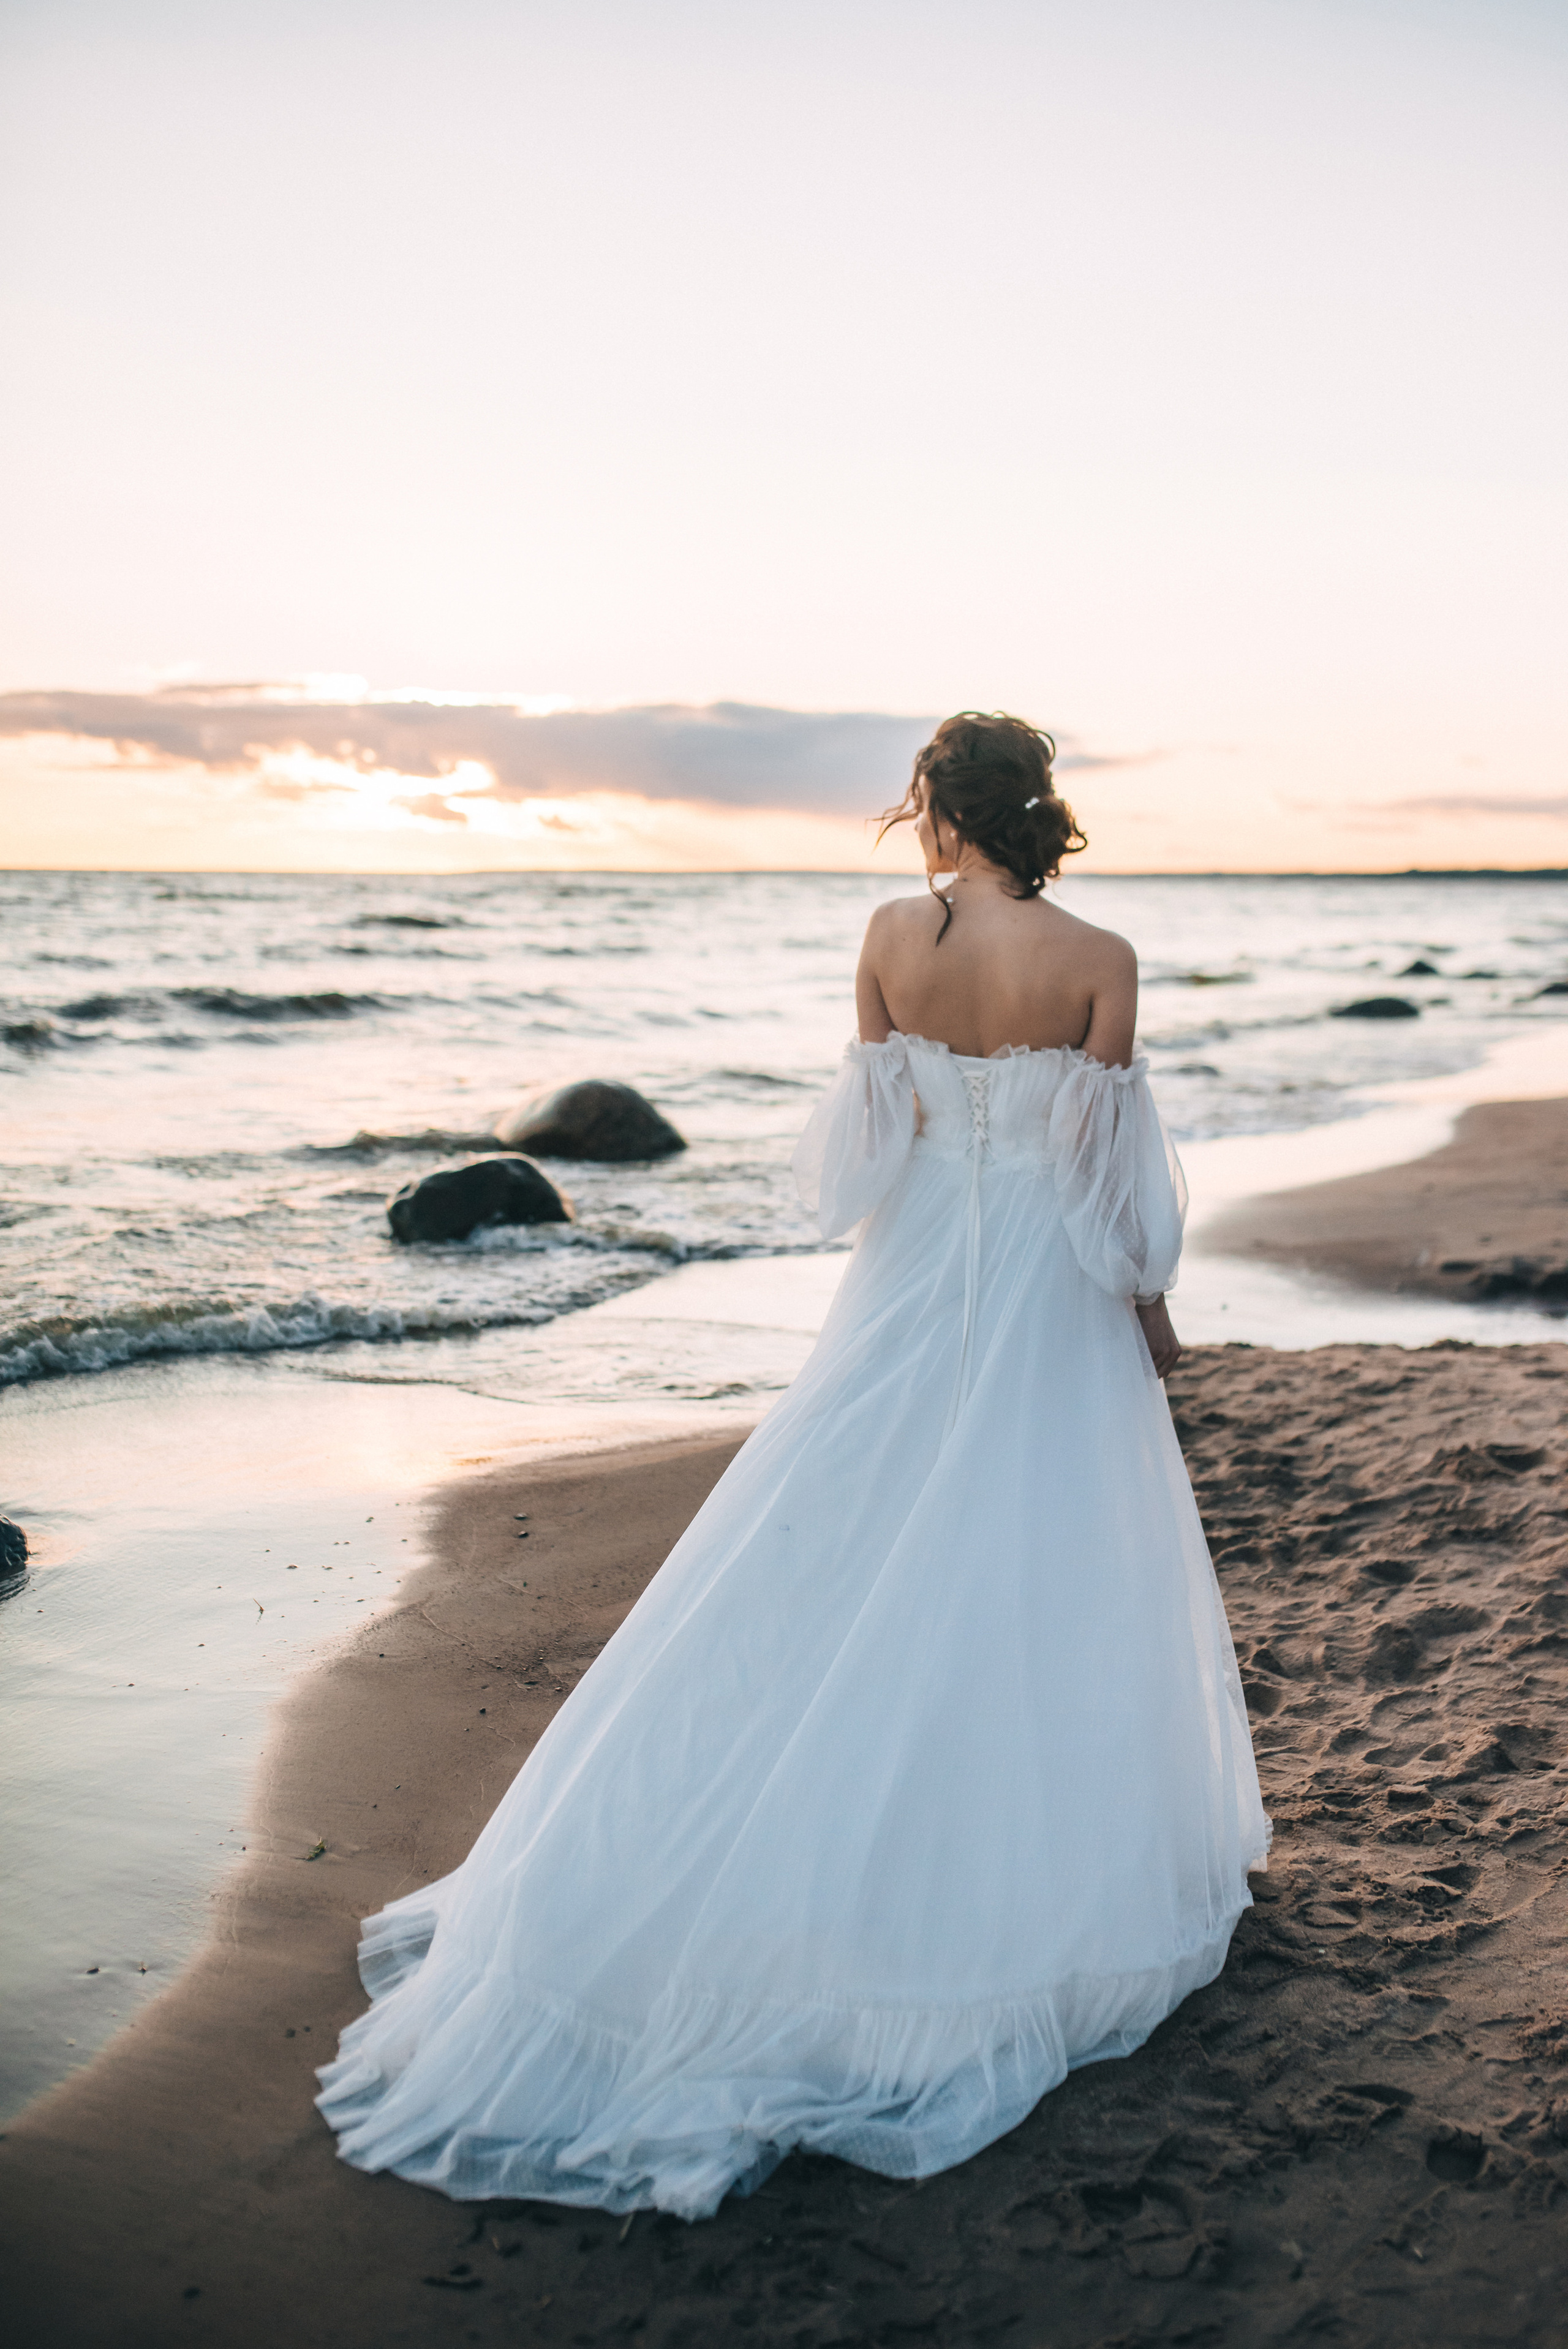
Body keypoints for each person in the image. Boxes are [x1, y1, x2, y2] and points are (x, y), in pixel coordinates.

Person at [317, 711, 1270, 2222]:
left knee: (829, 1536)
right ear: (1040, 812)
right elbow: (1105, 1180)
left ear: (931, 811)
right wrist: (1149, 1318)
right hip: (1037, 1289)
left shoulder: (889, 934)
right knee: (1036, 1553)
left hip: (907, 1279)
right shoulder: (1099, 957)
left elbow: (867, 1151)